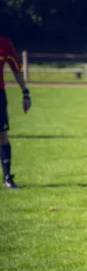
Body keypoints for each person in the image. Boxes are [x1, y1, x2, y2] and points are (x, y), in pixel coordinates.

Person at [0, 36, 31, 188]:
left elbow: (16, 68)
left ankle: (7, 178)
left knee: (2, 135)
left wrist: (25, 92)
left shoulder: (5, 44)